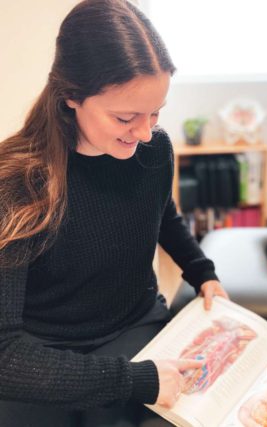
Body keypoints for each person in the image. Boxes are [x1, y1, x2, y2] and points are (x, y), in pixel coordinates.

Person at [0, 0, 229, 426]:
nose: (145, 133)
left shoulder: (153, 149)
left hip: (133, 325)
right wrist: (132, 380)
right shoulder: (17, 183)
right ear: (71, 95)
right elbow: (4, 354)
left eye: (156, 113)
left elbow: (160, 213)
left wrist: (202, 271)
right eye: (126, 117)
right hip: (43, 354)